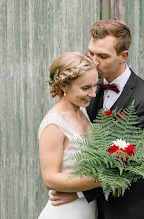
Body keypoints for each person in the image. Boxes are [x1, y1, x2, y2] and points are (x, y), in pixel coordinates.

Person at [50, 20, 144, 219]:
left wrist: (79, 192)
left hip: (131, 209)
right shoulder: (88, 89)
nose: (93, 61)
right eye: (91, 53)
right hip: (94, 209)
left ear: (123, 56)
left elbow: (130, 163)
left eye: (102, 56)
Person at [38, 51, 100, 219]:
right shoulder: (54, 124)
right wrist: (102, 179)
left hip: (87, 209)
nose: (93, 93)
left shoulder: (84, 111)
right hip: (64, 212)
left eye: (95, 85)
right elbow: (50, 179)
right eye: (86, 88)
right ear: (64, 86)